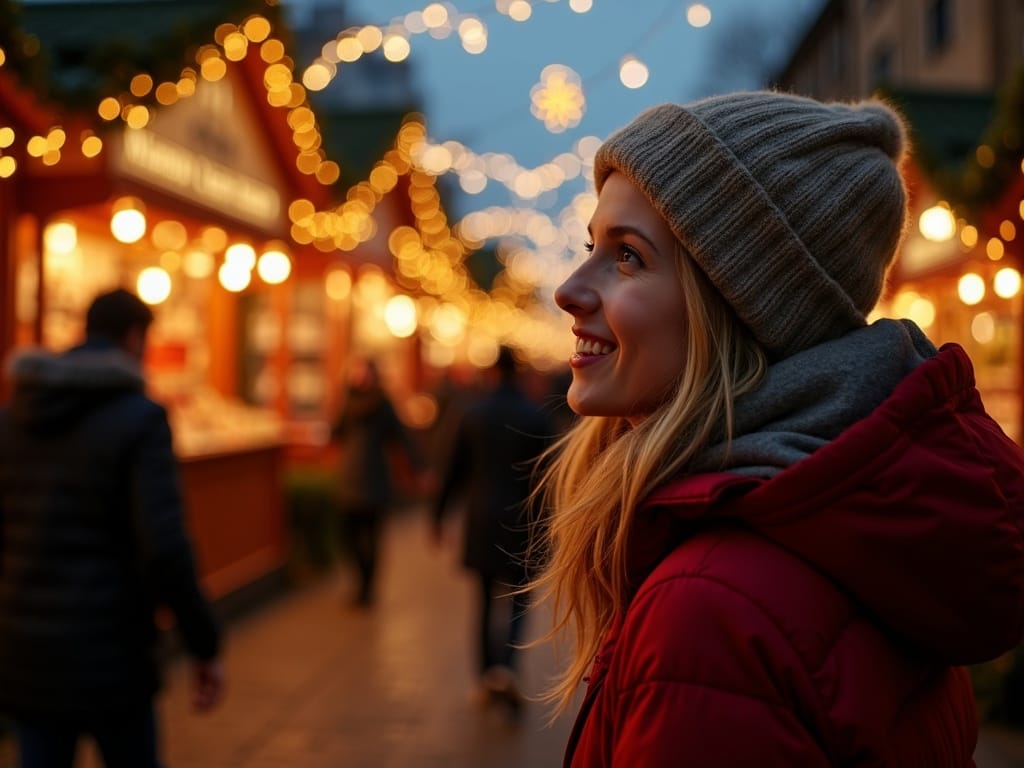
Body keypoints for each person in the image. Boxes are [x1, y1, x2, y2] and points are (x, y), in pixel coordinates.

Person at [530, 90, 1024, 765]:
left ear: (739, 307)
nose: (569, 289)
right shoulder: (850, 535)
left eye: (627, 257)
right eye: (592, 246)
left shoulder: (709, 616)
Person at [0, 287, 223, 768]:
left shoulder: (13, 419)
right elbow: (165, 547)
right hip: (113, 654)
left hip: (27, 654)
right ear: (135, 338)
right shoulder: (140, 420)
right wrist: (203, 643)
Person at [432, 347, 554, 711]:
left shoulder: (473, 413)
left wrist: (437, 517)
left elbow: (453, 471)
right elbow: (547, 480)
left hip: (481, 519)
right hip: (523, 522)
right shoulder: (536, 416)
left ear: (491, 373)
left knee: (483, 601)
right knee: (519, 600)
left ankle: (485, 676)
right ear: (517, 373)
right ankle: (508, 669)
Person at [331, 357, 427, 607]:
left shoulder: (382, 404)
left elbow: (400, 437)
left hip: (372, 478)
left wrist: (418, 466)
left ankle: (366, 588)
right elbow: (336, 432)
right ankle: (362, 583)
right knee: (350, 536)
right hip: (352, 478)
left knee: (371, 535)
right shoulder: (350, 401)